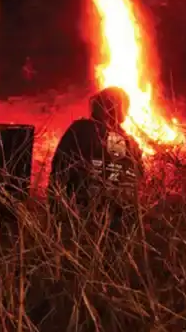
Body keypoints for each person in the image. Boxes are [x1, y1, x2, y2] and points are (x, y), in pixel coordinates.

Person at [48, 87, 144, 229]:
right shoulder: (129, 143)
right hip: (121, 222)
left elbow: (59, 169)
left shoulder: (79, 131)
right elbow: (138, 178)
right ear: (123, 112)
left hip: (78, 217)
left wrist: (54, 211)